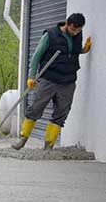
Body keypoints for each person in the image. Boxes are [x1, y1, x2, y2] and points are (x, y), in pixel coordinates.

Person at [12, 13, 92, 150]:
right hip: (48, 79)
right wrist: (31, 77)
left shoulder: (78, 35)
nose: (75, 33)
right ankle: (22, 139)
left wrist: (84, 49)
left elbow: (72, 51)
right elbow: (37, 56)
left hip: (68, 80)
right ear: (67, 24)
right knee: (36, 108)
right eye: (73, 29)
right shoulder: (50, 35)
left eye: (78, 30)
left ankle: (49, 146)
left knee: (62, 112)